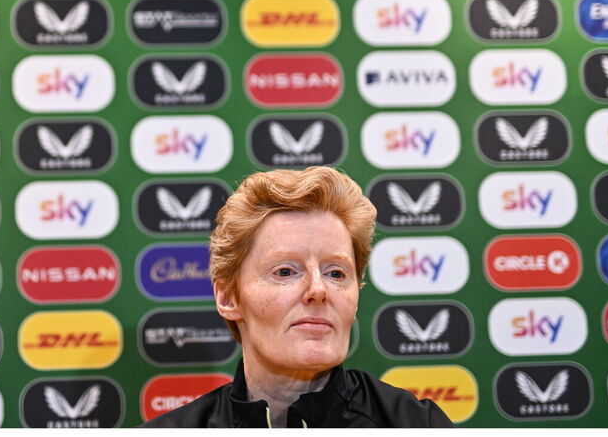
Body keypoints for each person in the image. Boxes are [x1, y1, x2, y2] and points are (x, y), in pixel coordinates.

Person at [140, 166, 454, 428]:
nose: (318, 289)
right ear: (228, 297)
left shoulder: (417, 424)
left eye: (336, 273)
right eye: (286, 272)